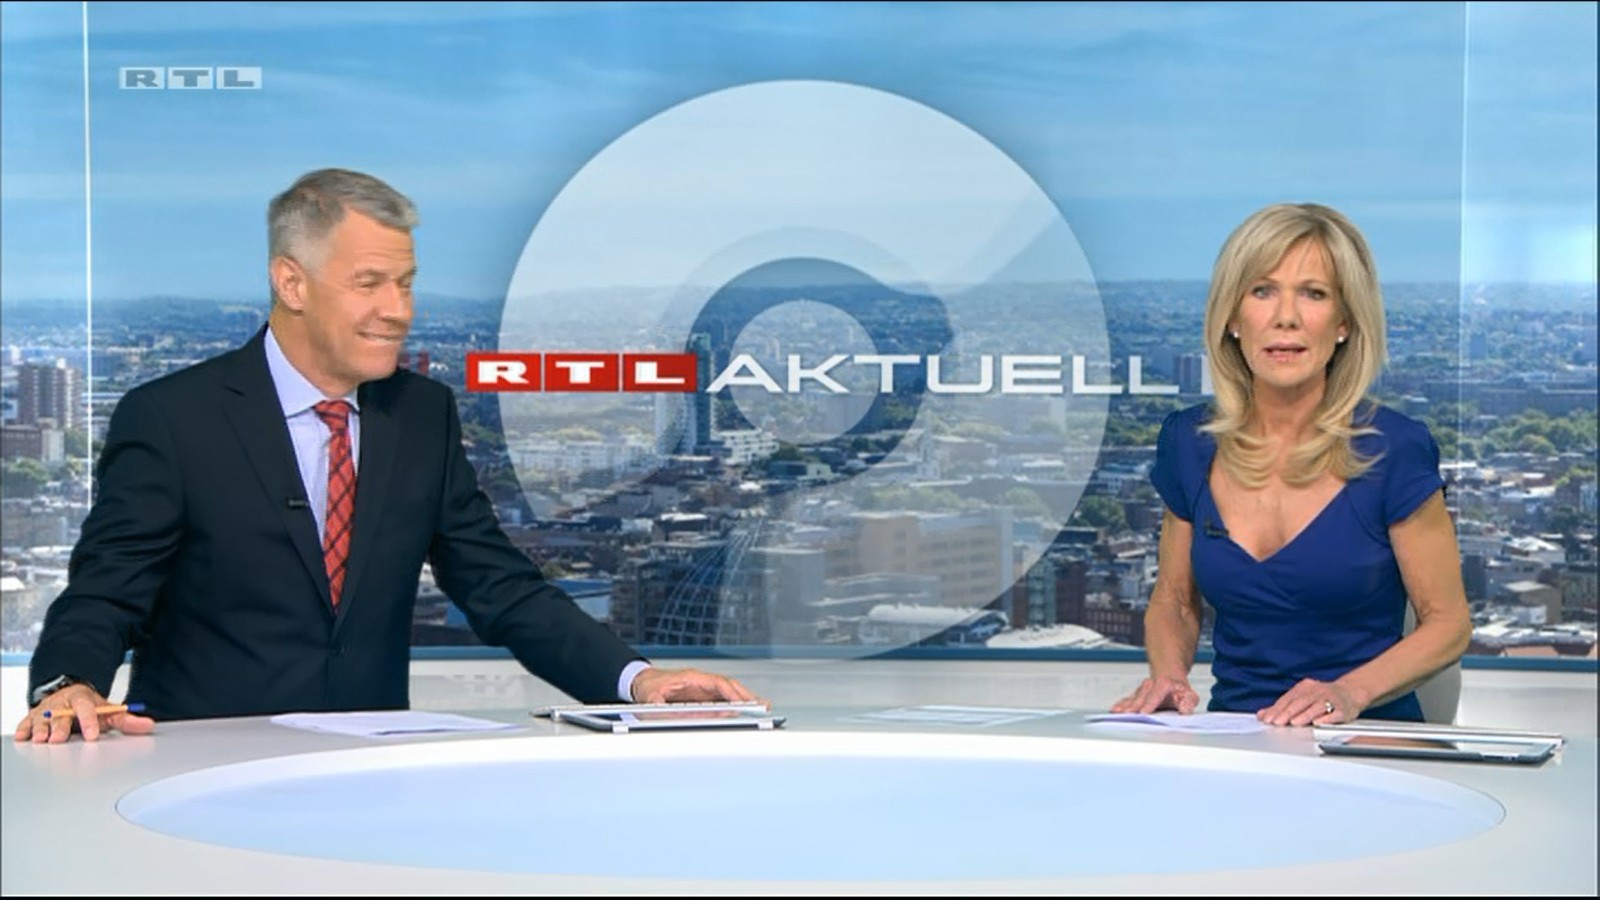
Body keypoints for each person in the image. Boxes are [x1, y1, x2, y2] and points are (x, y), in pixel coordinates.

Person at [16, 168, 761, 744]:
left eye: (405, 284)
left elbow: (498, 586)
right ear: (291, 282)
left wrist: (635, 681)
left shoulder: (421, 415)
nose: (398, 310)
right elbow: (107, 593)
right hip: (200, 766)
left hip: (366, 771)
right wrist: (67, 683)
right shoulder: (175, 417)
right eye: (369, 284)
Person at [1112, 202, 1471, 725]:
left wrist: (1348, 693)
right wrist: (1169, 677)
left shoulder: (1396, 449)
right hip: (1238, 736)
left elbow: (1448, 623)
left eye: (1313, 293)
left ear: (1344, 322)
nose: (1286, 316)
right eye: (1262, 291)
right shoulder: (1187, 443)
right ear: (1233, 318)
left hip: (1366, 738)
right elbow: (1175, 601)